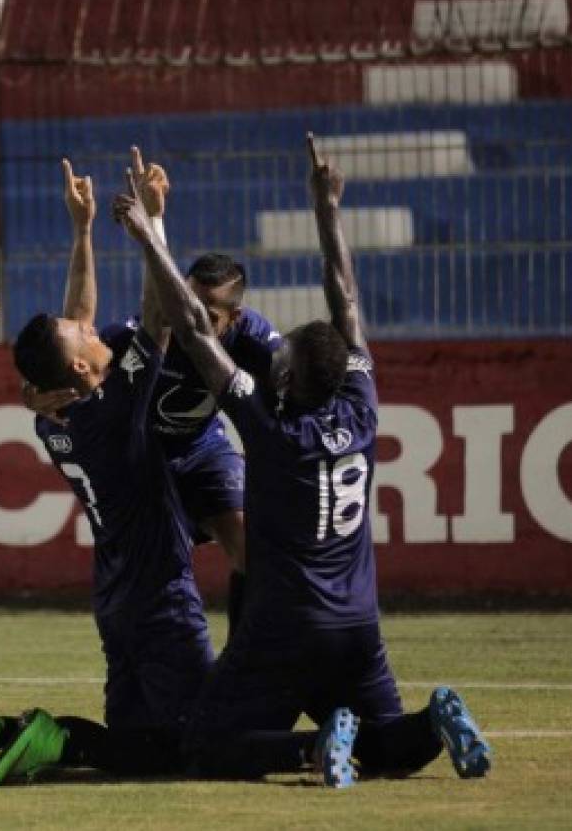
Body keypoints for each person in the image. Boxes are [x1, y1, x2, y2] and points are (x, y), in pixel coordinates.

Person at [113, 134, 492, 787]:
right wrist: (328, 210)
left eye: (281, 356)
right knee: (386, 749)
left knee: (203, 744)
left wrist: (149, 237)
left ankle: (311, 747)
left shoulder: (270, 430)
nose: (274, 353)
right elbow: (345, 300)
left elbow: (199, 331)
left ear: (285, 379)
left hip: (284, 627)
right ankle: (432, 721)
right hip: (358, 625)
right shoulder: (363, 404)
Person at [0, 157, 214, 785]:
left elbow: (75, 321)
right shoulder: (112, 407)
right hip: (159, 595)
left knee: (135, 748)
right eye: (81, 336)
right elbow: (161, 313)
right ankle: (54, 739)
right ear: (82, 369)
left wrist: (82, 232)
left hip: (115, 597)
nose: (89, 325)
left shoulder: (56, 414)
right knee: (203, 747)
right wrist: (151, 225)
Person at [26, 148, 282, 640]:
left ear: (234, 318)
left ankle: (245, 654)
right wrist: (36, 393)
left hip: (203, 447)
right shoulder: (135, 336)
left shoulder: (253, 340)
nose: (187, 312)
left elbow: (296, 384)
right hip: (148, 462)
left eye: (207, 311)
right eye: (184, 296)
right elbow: (72, 352)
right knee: (161, 566)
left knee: (251, 549)